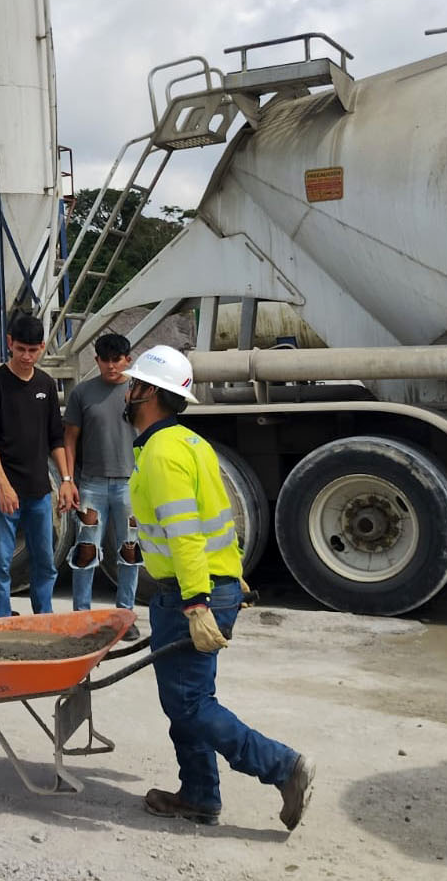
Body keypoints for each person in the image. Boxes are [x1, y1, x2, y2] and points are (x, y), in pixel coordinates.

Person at [122, 345, 314, 830]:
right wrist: (231, 579)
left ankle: (282, 767)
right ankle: (200, 794)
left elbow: (186, 534)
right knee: (187, 699)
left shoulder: (162, 455)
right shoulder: (189, 443)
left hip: (189, 593)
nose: (127, 390)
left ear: (148, 392)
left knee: (189, 702)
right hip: (211, 583)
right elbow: (218, 520)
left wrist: (195, 600)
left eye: (133, 384)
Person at [0, 314, 74, 618]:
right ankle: (0, 624)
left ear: (43, 346)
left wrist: (67, 479)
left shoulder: (45, 383)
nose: (27, 357)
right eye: (21, 350)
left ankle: (43, 619)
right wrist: (3, 485)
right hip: (1, 494)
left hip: (39, 492)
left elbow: (56, 437)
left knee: (44, 561)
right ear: (9, 344)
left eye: (33, 350)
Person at [63, 333, 141, 636]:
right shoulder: (82, 393)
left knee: (130, 551)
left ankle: (126, 616)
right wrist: (69, 480)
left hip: (130, 485)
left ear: (128, 359)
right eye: (105, 360)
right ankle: (81, 617)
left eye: (117, 359)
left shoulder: (139, 392)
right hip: (92, 485)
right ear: (96, 361)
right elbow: (70, 438)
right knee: (85, 551)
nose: (111, 366)